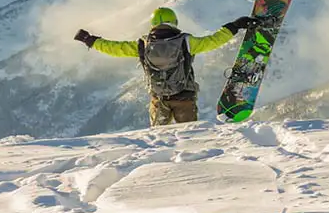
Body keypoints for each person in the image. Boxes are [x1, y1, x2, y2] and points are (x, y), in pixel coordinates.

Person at [73, 7, 258, 127]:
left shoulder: (142, 45)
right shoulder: (186, 42)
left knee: (159, 141)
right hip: (184, 98)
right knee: (190, 138)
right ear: (174, 22)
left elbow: (115, 48)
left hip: (158, 99)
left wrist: (91, 40)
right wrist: (235, 26)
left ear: (153, 25)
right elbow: (213, 41)